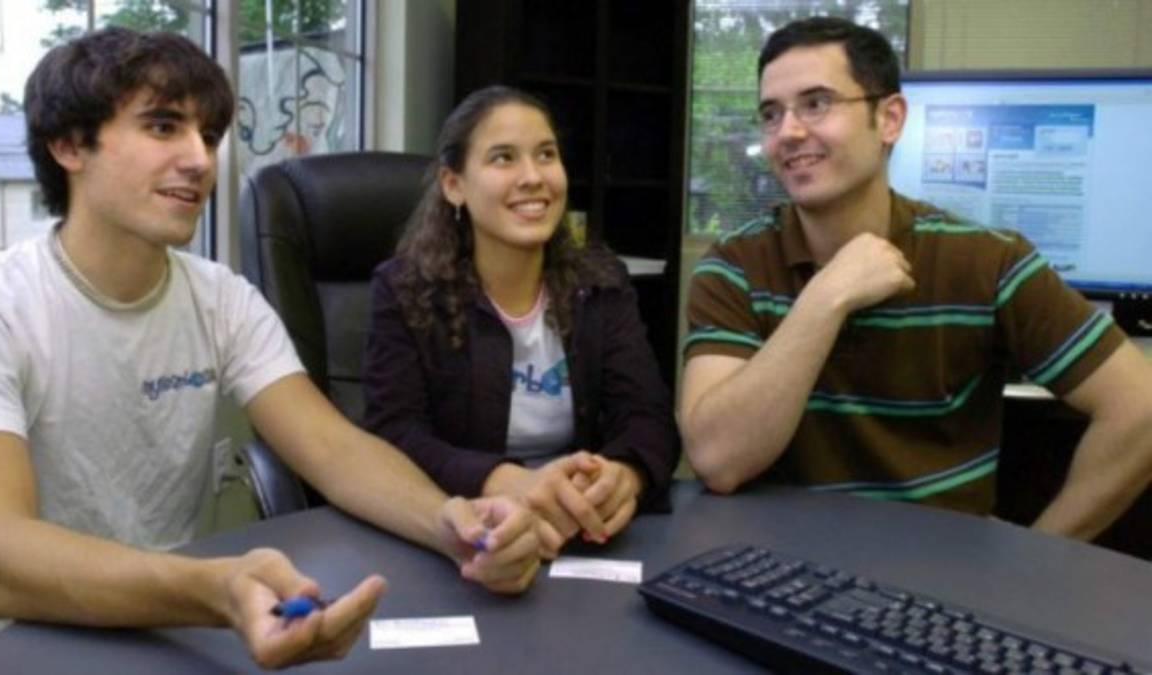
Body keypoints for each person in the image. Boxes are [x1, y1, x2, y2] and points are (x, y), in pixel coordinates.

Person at [0, 28, 540, 670]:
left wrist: (452, 523)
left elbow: (331, 449)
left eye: (210, 136)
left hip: (154, 630)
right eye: (164, 127)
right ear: (68, 145)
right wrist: (216, 589)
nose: (200, 160)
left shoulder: (222, 299)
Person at [679, 17, 1152, 539]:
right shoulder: (735, 267)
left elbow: (1141, 412)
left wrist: (1039, 562)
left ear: (889, 118)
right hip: (773, 568)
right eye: (771, 114)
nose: (788, 132)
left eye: (816, 103)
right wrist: (827, 298)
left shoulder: (988, 261)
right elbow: (718, 461)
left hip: (937, 581)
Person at [362, 86, 680, 559]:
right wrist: (507, 481)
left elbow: (648, 419)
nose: (533, 177)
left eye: (546, 155)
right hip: (458, 537)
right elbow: (395, 435)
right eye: (503, 158)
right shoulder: (405, 290)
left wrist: (623, 476)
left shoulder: (600, 283)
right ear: (455, 185)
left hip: (579, 537)